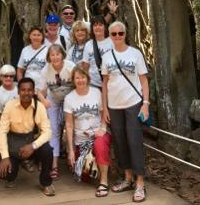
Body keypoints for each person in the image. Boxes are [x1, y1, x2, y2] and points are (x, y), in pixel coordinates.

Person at [102, 21, 149, 203]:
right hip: (114, 106)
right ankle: (128, 177)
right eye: (113, 34)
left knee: (134, 142)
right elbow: (105, 84)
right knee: (120, 142)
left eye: (120, 33)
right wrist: (105, 107)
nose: (117, 37)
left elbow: (144, 81)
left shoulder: (135, 54)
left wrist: (145, 104)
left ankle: (140, 183)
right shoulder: (107, 57)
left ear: (125, 33)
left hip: (133, 104)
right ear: (110, 36)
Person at [0, 77, 55, 196]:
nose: (26, 93)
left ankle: (46, 183)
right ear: (18, 92)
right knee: (6, 175)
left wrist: (33, 146)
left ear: (34, 91)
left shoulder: (39, 107)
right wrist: (4, 157)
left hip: (30, 142)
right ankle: (15, 165)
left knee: (47, 150)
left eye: (29, 90)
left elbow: (48, 132)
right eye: (23, 90)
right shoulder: (9, 106)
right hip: (13, 145)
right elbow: (2, 132)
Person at [64, 66, 111, 197]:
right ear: (73, 80)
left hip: (98, 134)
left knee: (99, 145)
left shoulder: (96, 92)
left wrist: (103, 129)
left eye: (83, 77)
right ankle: (99, 163)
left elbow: (103, 114)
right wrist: (71, 150)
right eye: (77, 78)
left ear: (88, 78)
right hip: (81, 140)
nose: (80, 80)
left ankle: (104, 182)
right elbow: (68, 125)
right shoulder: (69, 98)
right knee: (85, 177)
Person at [37, 44, 75, 179]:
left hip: (70, 98)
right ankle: (54, 165)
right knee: (53, 130)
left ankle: (74, 160)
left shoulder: (70, 66)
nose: (55, 57)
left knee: (72, 128)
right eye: (52, 55)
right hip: (53, 99)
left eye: (57, 54)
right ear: (49, 57)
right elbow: (40, 91)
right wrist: (44, 100)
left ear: (62, 55)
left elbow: (80, 82)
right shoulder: (45, 70)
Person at [82, 15, 114, 89]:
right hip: (94, 85)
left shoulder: (112, 41)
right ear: (92, 28)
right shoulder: (88, 44)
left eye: (100, 25)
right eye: (95, 25)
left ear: (105, 27)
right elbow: (85, 67)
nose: (98, 27)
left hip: (111, 83)